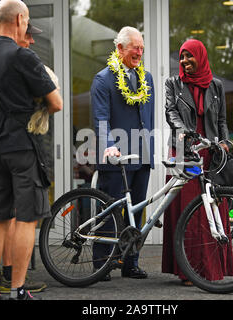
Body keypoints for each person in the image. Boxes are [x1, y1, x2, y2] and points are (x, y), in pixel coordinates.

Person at [0, 0, 63, 300]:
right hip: (21, 147)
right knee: (26, 218)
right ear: (20, 19)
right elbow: (56, 103)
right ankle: (17, 289)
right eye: (27, 21)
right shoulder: (24, 56)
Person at [162, 39, 233, 285]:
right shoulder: (173, 83)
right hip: (185, 150)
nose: (185, 62)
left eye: (189, 56)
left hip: (210, 152)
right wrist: (183, 131)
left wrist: (224, 143)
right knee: (189, 211)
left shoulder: (216, 86)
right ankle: (189, 270)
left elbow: (222, 119)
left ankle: (213, 268)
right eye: (182, 57)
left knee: (211, 209)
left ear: (200, 57)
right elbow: (171, 112)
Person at [91, 26, 155, 280]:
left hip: (142, 155)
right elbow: (101, 118)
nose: (139, 53)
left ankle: (131, 262)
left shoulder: (146, 78)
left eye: (141, 48)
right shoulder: (103, 79)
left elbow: (148, 117)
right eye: (134, 48)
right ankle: (101, 262)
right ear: (120, 48)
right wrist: (108, 144)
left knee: (136, 211)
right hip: (115, 156)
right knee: (109, 211)